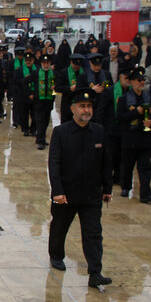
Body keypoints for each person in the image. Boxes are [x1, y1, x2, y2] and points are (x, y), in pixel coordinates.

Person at [47, 90, 113, 288]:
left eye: (89, 106)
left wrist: (107, 188)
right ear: (73, 109)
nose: (86, 110)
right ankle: (56, 255)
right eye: (82, 106)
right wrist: (57, 191)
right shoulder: (61, 132)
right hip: (67, 194)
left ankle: (95, 272)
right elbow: (54, 163)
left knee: (93, 233)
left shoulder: (99, 131)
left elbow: (106, 162)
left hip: (91, 194)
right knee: (59, 227)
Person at [117, 69, 151, 204]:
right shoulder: (124, 99)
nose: (142, 83)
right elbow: (120, 118)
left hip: (145, 138)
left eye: (143, 81)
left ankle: (146, 194)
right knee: (127, 165)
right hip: (130, 137)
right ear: (132, 82)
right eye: (139, 81)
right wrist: (136, 112)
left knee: (145, 167)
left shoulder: (149, 97)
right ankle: (125, 187)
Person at [29, 53, 56, 150]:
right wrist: (30, 93)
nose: (46, 65)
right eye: (44, 63)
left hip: (48, 101)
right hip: (39, 101)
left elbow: (54, 87)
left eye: (48, 63)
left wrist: (53, 95)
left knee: (45, 122)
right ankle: (41, 141)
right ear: (41, 64)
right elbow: (27, 82)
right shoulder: (36, 73)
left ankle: (41, 138)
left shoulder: (53, 74)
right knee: (40, 121)